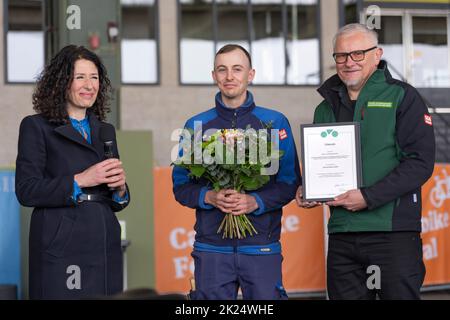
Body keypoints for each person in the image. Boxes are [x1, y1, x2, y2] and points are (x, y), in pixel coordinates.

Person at [296, 23, 435, 299]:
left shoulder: (403, 97)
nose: (349, 62)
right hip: (342, 234)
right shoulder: (325, 108)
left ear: (377, 54)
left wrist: (368, 197)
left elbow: (420, 163)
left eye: (358, 53)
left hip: (392, 233)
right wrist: (311, 190)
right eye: (341, 55)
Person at [172, 44, 301, 300]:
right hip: (211, 249)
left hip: (261, 247)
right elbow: (181, 186)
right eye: (222, 70)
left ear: (250, 74)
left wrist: (256, 201)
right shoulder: (196, 125)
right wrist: (210, 197)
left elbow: (290, 182)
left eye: (237, 69)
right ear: (214, 76)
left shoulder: (275, 123)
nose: (229, 76)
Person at [15, 45, 130, 299]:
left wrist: (121, 189)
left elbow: (115, 196)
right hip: (62, 246)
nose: (89, 85)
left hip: (104, 243)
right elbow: (26, 190)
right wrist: (81, 180)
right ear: (61, 82)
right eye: (80, 77)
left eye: (94, 78)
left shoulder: (105, 130)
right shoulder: (36, 127)